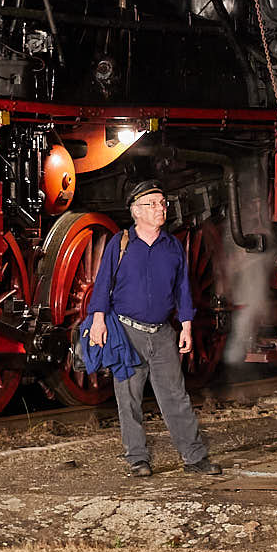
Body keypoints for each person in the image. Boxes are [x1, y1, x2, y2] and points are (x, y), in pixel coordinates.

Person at [84, 181, 222, 478]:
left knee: (176, 396)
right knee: (129, 399)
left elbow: (183, 287)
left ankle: (194, 457)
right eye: (155, 204)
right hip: (126, 333)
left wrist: (185, 325)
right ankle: (138, 459)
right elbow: (102, 284)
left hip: (162, 334)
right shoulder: (119, 243)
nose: (162, 208)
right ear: (137, 211)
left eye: (163, 203)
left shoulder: (172, 246)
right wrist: (97, 321)